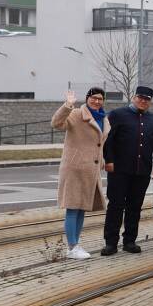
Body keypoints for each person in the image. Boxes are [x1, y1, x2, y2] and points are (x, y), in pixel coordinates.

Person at [102, 85, 153, 255]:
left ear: (150, 102)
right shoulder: (117, 115)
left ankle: (129, 241)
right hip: (119, 170)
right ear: (134, 97)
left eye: (147, 99)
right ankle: (111, 242)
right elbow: (108, 141)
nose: (143, 101)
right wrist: (108, 160)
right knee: (115, 206)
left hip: (141, 171)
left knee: (135, 207)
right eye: (140, 98)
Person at [52, 88, 110, 260]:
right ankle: (72, 247)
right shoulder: (77, 114)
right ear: (87, 99)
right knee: (72, 207)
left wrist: (102, 161)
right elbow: (56, 123)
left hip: (91, 171)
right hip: (75, 169)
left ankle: (76, 243)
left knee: (82, 208)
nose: (96, 101)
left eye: (100, 98)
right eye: (93, 98)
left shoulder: (103, 119)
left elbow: (99, 144)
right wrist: (67, 105)